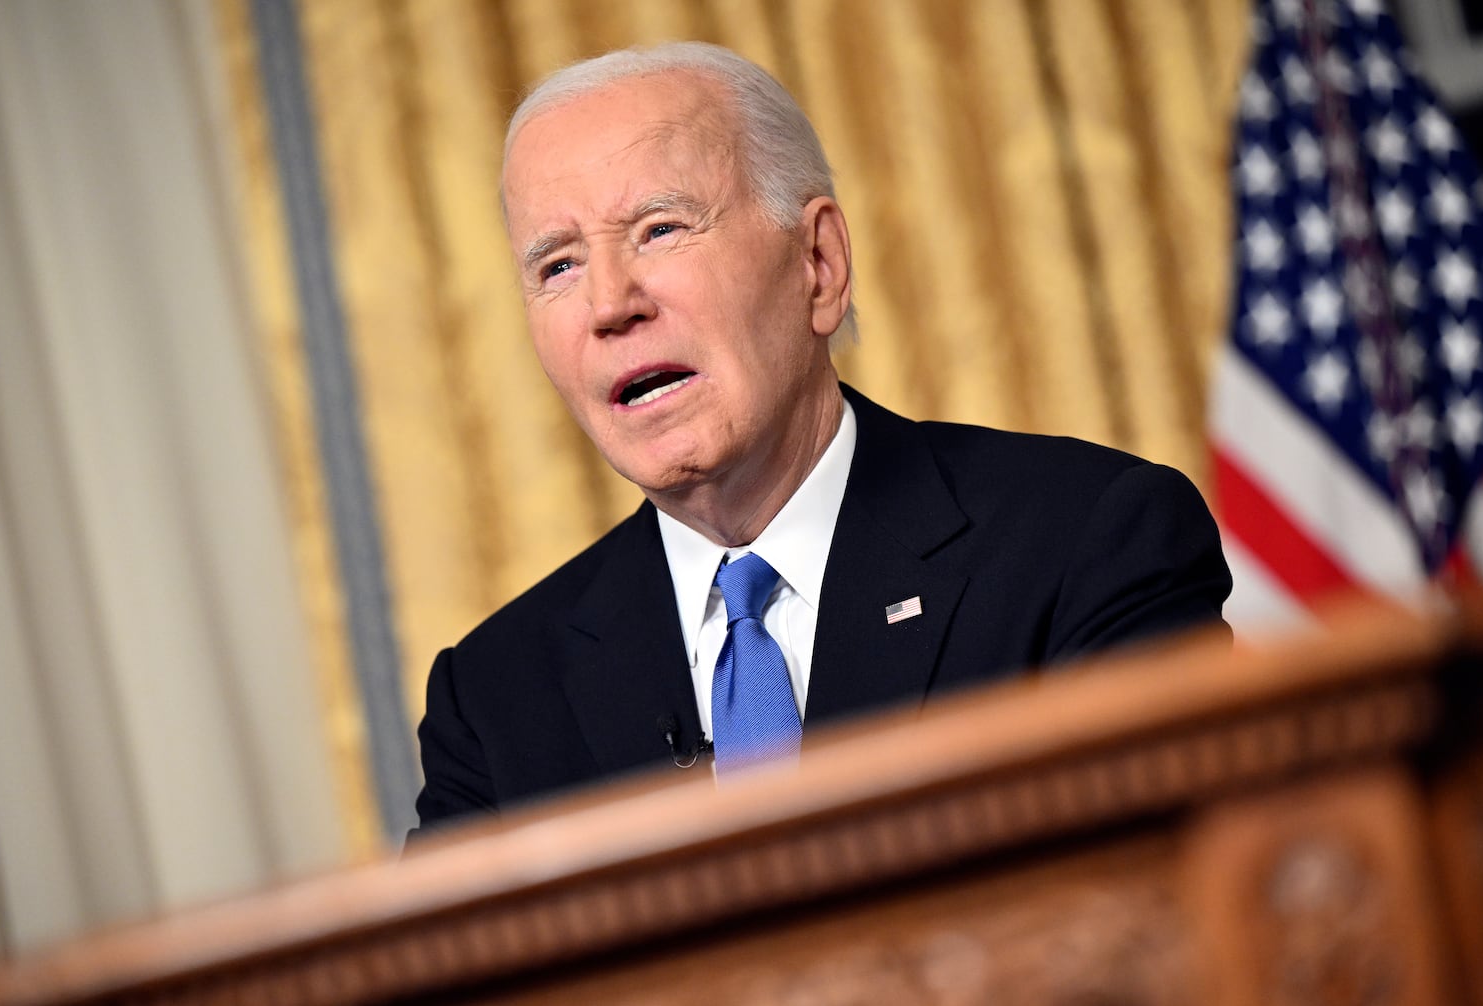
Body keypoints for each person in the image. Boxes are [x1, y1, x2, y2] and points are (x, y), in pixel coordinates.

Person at [412, 41, 1230, 832]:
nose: (609, 304)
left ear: (819, 262)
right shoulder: (491, 702)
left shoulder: (1088, 543)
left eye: (660, 229)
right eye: (558, 266)